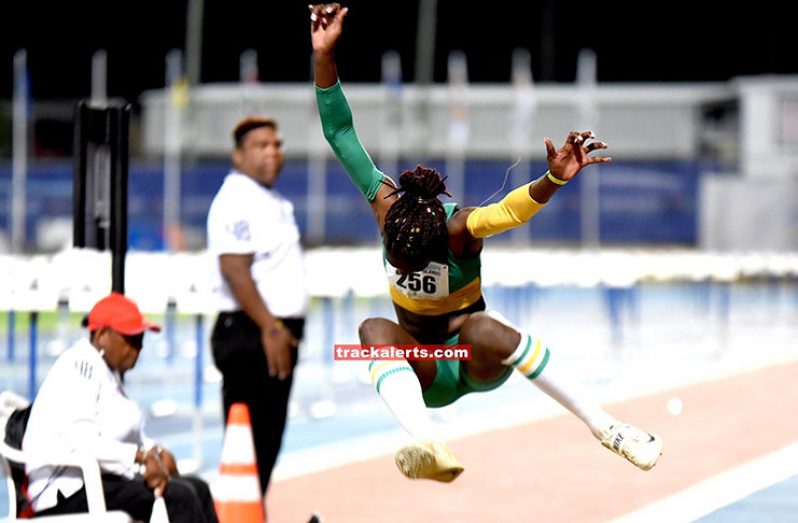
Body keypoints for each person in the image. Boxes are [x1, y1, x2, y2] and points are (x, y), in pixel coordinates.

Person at [309, 3, 664, 482]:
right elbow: (339, 130)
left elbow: (509, 210)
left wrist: (553, 180)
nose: (404, 264)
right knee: (373, 328)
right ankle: (426, 444)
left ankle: (607, 428)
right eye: (397, 258)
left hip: (473, 358)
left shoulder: (459, 228)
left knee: (485, 326)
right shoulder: (385, 204)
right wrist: (324, 55)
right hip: (426, 367)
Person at [21, 292, 218, 522]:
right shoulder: (80, 366)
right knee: (179, 497)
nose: (139, 347)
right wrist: (141, 456)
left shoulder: (106, 373)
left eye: (141, 339)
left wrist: (157, 451)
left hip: (98, 482)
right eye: (131, 339)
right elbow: (84, 442)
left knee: (199, 488)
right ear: (103, 335)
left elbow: (124, 436)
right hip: (67, 491)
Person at [207, 117, 309, 500]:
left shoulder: (272, 199)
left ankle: (251, 511)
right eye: (260, 145)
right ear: (238, 155)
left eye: (276, 144)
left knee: (265, 444)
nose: (272, 152)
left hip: (273, 331)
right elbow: (234, 268)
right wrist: (270, 328)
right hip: (253, 332)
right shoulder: (237, 197)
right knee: (247, 446)